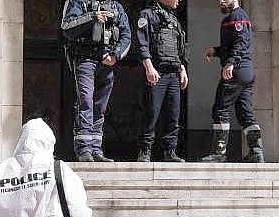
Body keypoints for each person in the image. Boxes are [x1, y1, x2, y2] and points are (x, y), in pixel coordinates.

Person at [61, 0, 131, 162]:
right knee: (85, 101)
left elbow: (126, 35)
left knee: (101, 106)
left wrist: (116, 55)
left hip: (106, 62)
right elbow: (66, 28)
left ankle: (96, 149)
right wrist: (92, 16)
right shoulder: (77, 2)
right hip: (85, 59)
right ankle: (83, 149)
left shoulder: (116, 6)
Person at [203, 0, 265, 163]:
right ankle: (256, 152)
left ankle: (219, 152)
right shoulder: (236, 17)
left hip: (237, 70)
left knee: (221, 108)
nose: (220, 1)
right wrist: (216, 51)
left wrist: (231, 63)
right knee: (245, 113)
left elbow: (241, 42)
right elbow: (232, 45)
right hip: (246, 71)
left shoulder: (237, 16)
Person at [135, 0, 189, 163]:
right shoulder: (147, 15)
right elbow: (141, 43)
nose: (179, 1)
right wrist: (149, 67)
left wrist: (182, 68)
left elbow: (179, 48)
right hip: (157, 72)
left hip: (174, 74)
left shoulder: (174, 19)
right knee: (152, 114)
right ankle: (145, 151)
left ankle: (170, 152)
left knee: (173, 115)